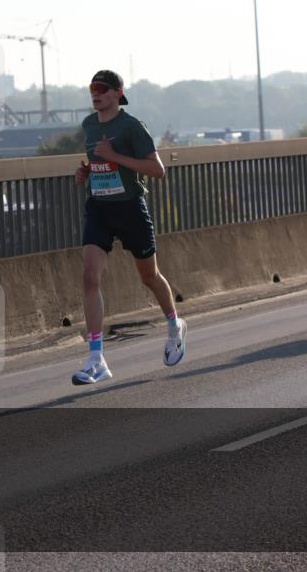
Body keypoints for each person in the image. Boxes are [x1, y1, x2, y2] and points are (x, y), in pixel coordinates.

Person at [72, 70, 186, 385]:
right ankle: (96, 359)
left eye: (102, 89)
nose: (95, 94)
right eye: (92, 88)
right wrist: (86, 171)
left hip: (130, 209)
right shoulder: (89, 125)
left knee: (149, 277)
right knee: (89, 276)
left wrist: (115, 157)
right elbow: (97, 160)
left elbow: (157, 170)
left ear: (117, 93)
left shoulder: (132, 127)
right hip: (99, 207)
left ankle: (175, 325)